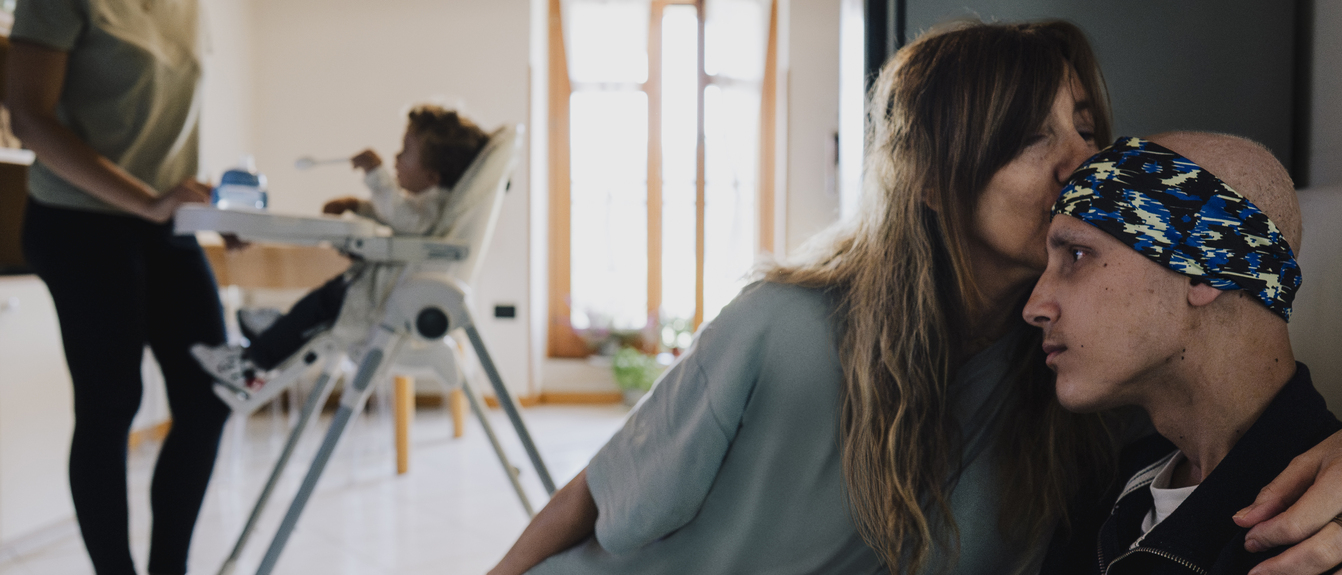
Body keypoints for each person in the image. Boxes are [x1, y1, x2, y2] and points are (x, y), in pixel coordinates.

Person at [491, 21, 1342, 575]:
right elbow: (601, 498)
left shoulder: (1085, 380)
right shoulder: (783, 329)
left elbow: (1237, 409)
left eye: (1087, 125)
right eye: (1028, 136)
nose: (1081, 160)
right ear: (933, 181)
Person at [1028, 132, 1340, 574]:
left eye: (1076, 255)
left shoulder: (1318, 536)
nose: (1034, 307)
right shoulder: (1107, 493)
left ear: (1205, 269)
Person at [6, 0, 229, 573]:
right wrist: (148, 202)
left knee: (210, 397)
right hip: (79, 220)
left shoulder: (191, 8)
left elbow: (159, 132)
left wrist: (213, 211)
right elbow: (29, 117)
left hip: (164, 224)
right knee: (110, 404)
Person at [190, 105, 489, 390]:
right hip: (369, 294)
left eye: (405, 153)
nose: (396, 158)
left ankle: (252, 362)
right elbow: (402, 218)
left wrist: (376, 173)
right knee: (314, 309)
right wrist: (356, 205)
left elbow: (404, 219)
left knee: (316, 309)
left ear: (432, 177)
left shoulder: (433, 204)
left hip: (372, 305)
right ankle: (276, 332)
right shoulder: (429, 207)